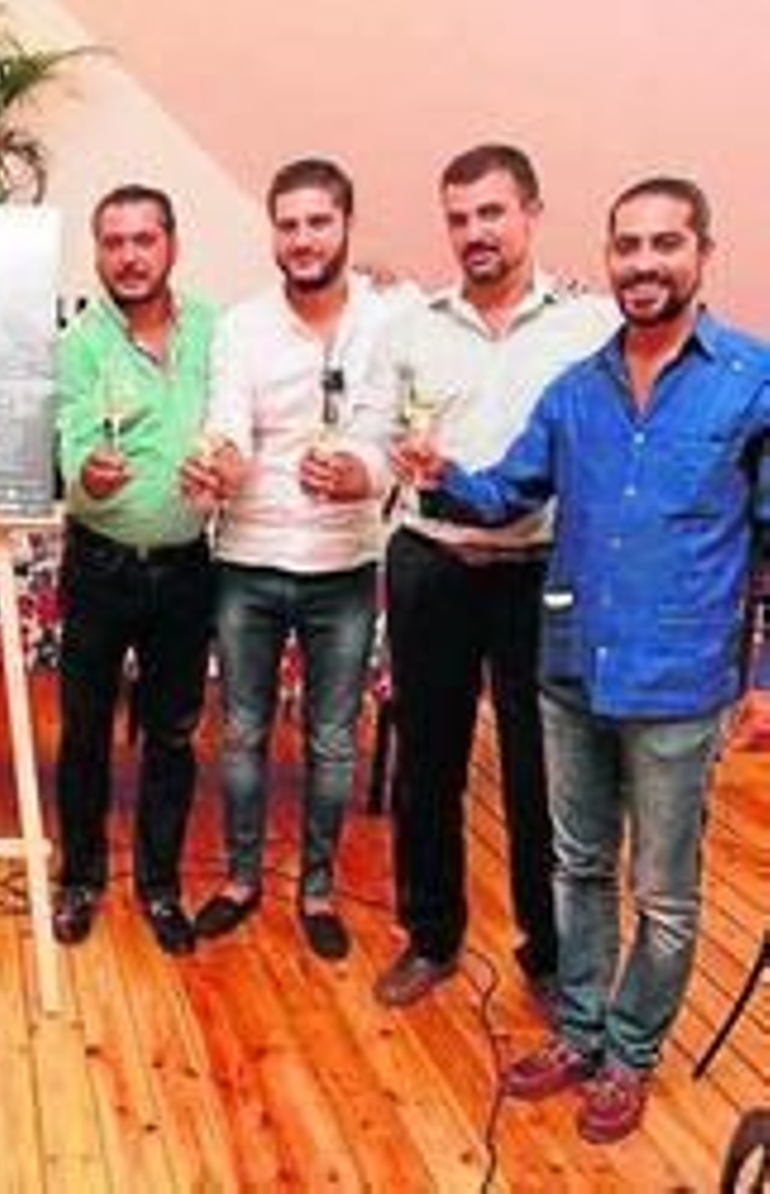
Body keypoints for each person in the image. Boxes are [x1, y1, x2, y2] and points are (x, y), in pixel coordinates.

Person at [394, 176, 770, 1144]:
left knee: (667, 892)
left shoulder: (751, 382)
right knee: (576, 869)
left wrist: (764, 681)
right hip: (568, 667)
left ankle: (630, 1054)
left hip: (679, 683)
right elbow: (509, 491)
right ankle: (582, 1030)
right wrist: (440, 479)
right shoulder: (574, 390)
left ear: (701, 254)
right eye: (627, 246)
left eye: (664, 244)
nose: (643, 264)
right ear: (606, 259)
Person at [372, 145, 618, 1009]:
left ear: (531, 213)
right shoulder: (411, 327)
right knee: (426, 762)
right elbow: (374, 434)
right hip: (430, 562)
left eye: (491, 213)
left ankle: (547, 954)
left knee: (539, 771)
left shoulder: (590, 328)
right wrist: (377, 462)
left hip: (538, 572)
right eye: (459, 217)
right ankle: (431, 936)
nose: (474, 233)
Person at [189, 159, 412, 960]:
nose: (303, 239)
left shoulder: (391, 324)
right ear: (273, 234)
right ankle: (242, 880)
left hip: (346, 565)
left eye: (318, 222)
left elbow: (395, 437)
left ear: (346, 224)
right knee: (243, 733)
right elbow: (226, 421)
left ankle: (317, 891)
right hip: (248, 559)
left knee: (331, 742)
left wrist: (368, 475)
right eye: (288, 224)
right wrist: (223, 463)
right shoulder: (240, 327)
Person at [50, 183, 220, 957]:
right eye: (112, 242)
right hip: (98, 567)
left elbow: (239, 418)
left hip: (187, 570)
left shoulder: (217, 330)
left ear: (171, 246)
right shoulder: (80, 341)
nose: (127, 256)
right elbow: (71, 438)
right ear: (98, 253)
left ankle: (159, 887)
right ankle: (80, 878)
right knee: (84, 731)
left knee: (173, 735)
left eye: (142, 240)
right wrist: (89, 472)